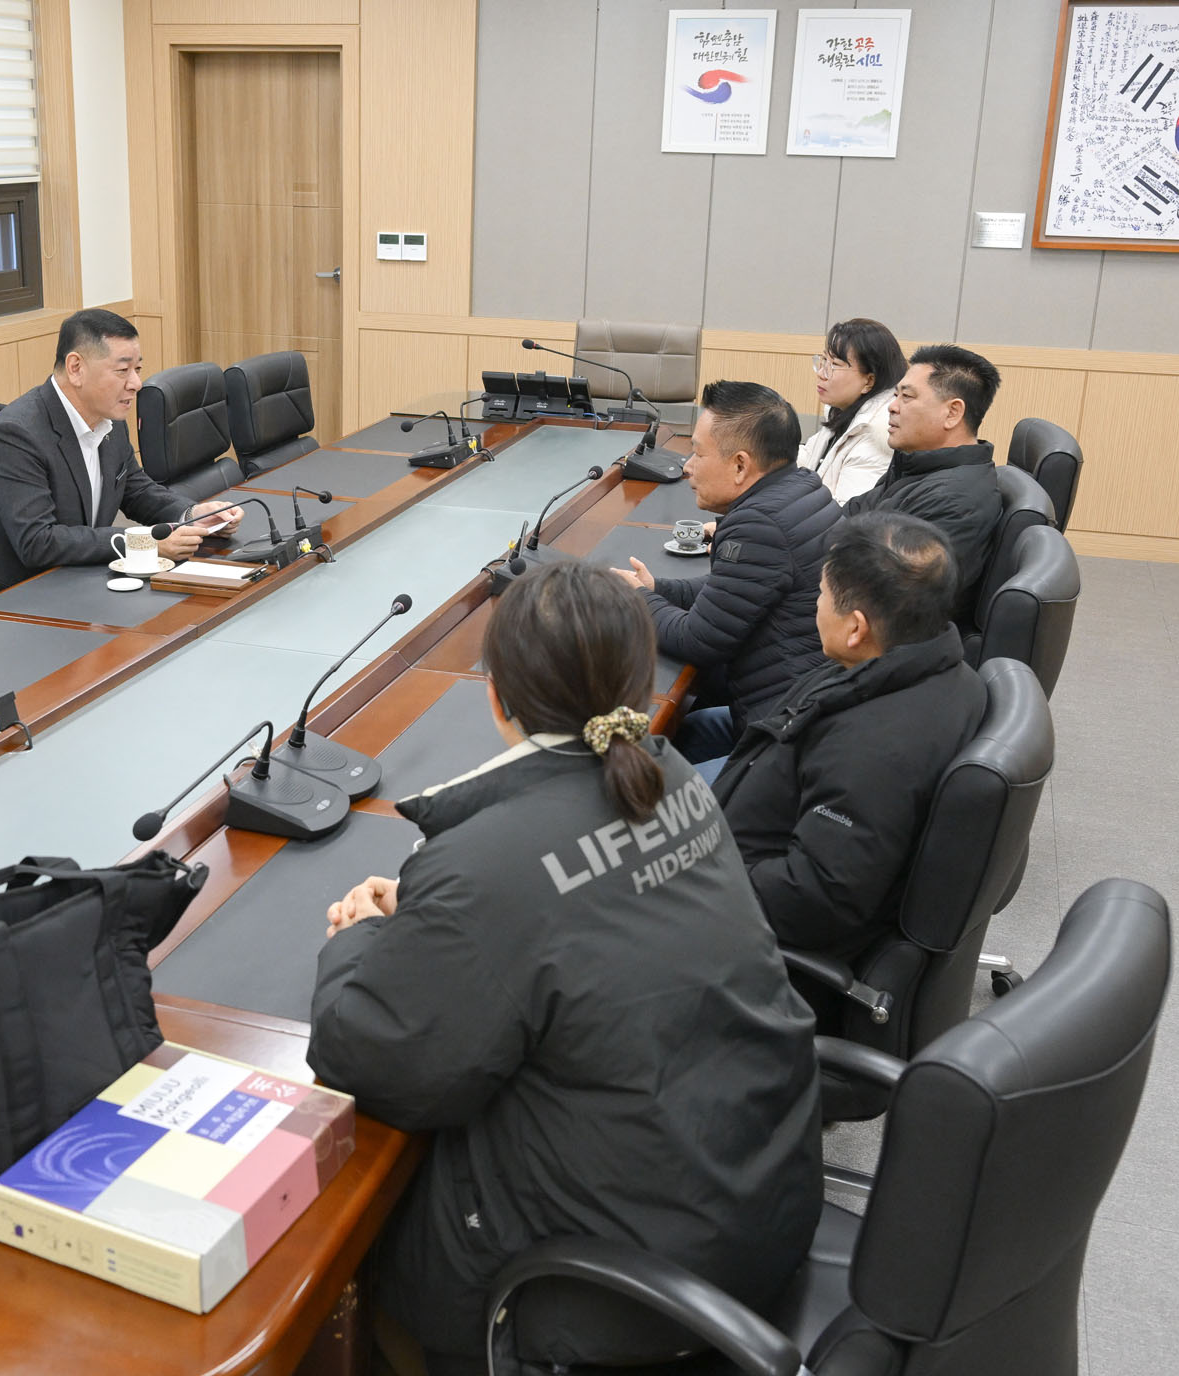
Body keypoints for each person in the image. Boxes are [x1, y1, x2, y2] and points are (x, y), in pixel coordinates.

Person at [308, 563, 821, 1376]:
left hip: (616, 1288)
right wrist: (436, 918)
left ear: (495, 696)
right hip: (756, 1206)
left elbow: (374, 1063)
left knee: (339, 1253)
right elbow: (571, 909)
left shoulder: (484, 864)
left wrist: (358, 941)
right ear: (637, 681)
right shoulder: (670, 776)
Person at [713, 512, 988, 974]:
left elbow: (813, 900)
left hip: (736, 943)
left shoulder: (874, 751)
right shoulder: (924, 667)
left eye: (822, 594)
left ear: (856, 627)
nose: (816, 605)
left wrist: (693, 878)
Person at [611, 380, 839, 763]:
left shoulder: (758, 524)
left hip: (784, 739)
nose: (687, 467)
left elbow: (698, 639)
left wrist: (637, 600)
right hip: (794, 706)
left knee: (647, 779)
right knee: (664, 743)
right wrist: (657, 588)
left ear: (740, 465)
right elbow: (731, 590)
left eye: (698, 453)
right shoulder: (800, 487)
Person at [0, 308, 241, 597]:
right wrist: (146, 543)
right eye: (122, 371)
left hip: (75, 582)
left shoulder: (109, 420)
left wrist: (192, 514)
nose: (136, 384)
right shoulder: (16, 435)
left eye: (137, 369)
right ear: (76, 368)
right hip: (3, 601)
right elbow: (38, 541)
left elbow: (137, 490)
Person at [841, 343, 1003, 612]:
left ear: (952, 413)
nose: (892, 407)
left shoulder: (955, 501)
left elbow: (894, 596)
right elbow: (852, 514)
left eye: (906, 396)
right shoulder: (916, 465)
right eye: (895, 394)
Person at [799, 318, 907, 503]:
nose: (821, 373)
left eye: (834, 365)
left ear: (869, 381)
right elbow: (807, 460)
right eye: (824, 360)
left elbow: (848, 511)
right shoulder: (841, 411)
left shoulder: (878, 435)